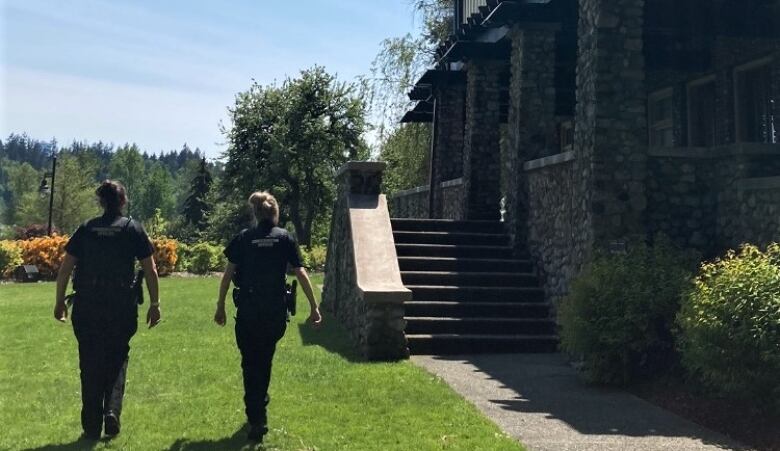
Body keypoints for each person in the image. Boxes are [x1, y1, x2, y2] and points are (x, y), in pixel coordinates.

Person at [54, 180, 161, 441]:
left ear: (101, 202)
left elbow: (66, 269)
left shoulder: (87, 229)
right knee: (117, 358)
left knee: (89, 361)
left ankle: (91, 424)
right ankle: (111, 411)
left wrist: (59, 301)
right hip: (121, 305)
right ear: (123, 202)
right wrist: (155, 304)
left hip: (88, 305)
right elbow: (150, 269)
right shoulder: (132, 229)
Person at [214, 191, 321, 443]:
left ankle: (256, 416)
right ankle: (258, 413)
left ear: (256, 213)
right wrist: (314, 307)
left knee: (250, 363)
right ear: (274, 213)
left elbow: (228, 275)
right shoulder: (284, 238)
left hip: (249, 311)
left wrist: (220, 306)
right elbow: (301, 274)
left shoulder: (244, 238)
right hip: (273, 311)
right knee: (264, 359)